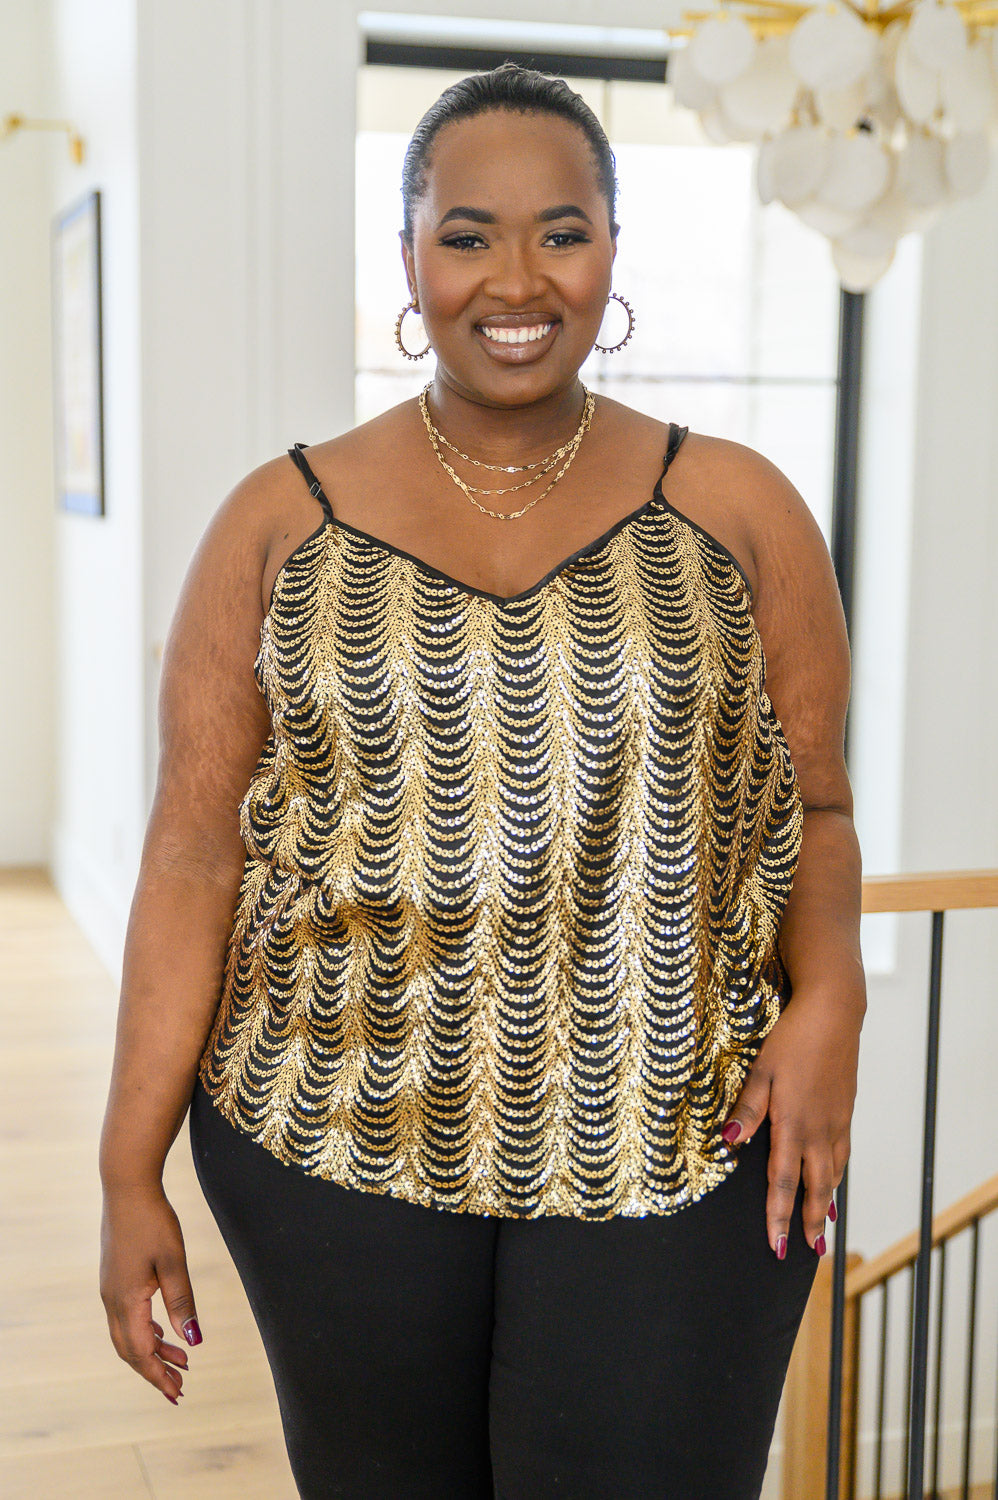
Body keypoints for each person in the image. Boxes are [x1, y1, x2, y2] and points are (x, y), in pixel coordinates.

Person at [99, 62, 866, 1500]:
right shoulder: (278, 523)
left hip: (683, 1130)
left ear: (613, 250)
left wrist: (834, 999)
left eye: (562, 232)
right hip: (329, 1127)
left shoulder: (740, 508)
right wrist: (125, 1169)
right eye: (467, 235)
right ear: (408, 258)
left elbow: (816, 807)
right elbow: (193, 853)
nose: (517, 280)